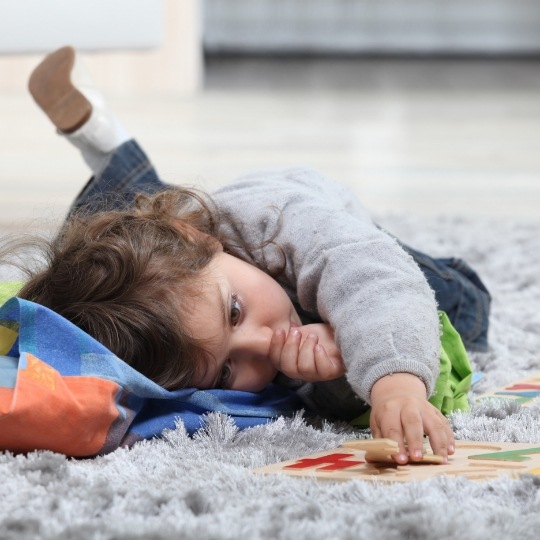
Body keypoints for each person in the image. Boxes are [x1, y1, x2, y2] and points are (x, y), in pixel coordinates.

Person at [17, 46, 490, 464]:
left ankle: (115, 155)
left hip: (327, 232)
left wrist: (397, 385)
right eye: (226, 370)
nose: (265, 346)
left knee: (460, 303)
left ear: (201, 240)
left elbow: (378, 281)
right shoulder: (186, 269)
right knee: (104, 252)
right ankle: (108, 144)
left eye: (236, 312)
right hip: (193, 234)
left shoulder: (282, 224)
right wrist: (333, 377)